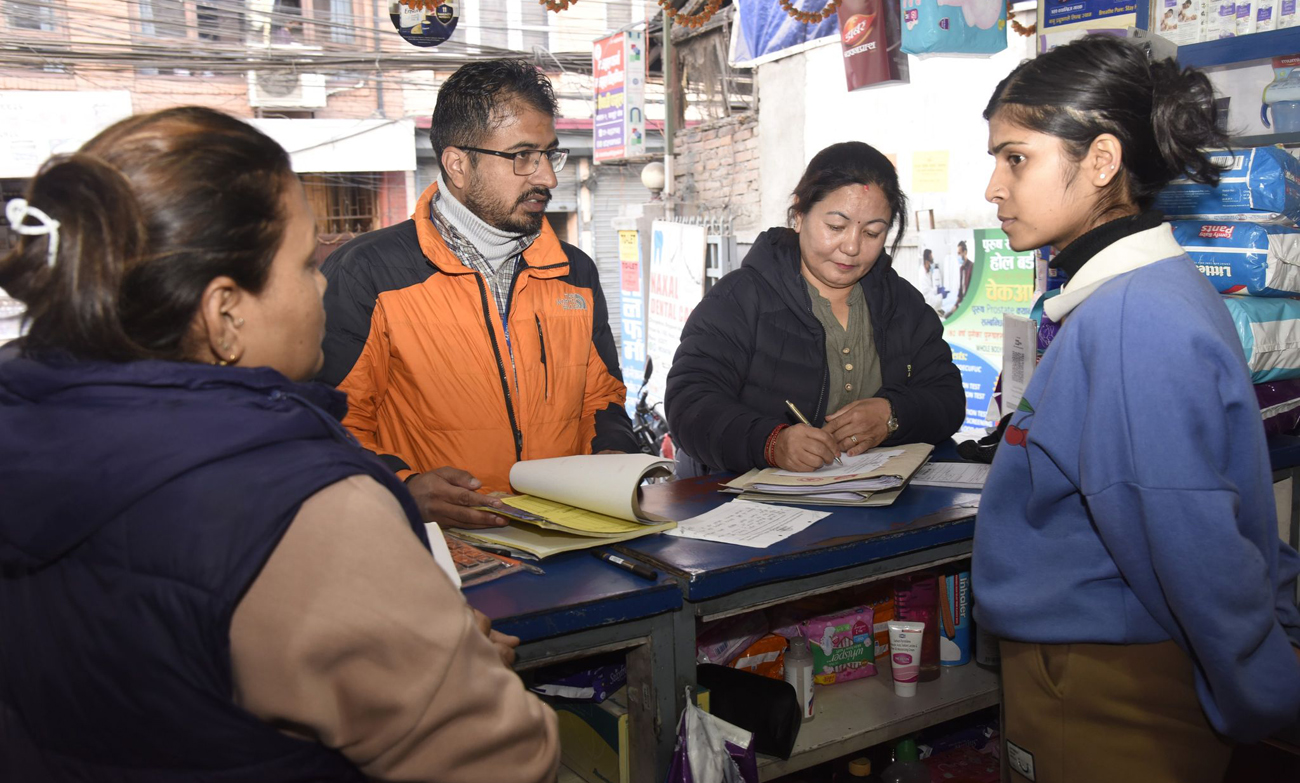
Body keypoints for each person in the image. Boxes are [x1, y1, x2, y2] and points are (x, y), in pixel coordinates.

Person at [0, 107, 558, 782]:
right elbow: (503, 760)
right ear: (225, 313)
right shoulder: (303, 506)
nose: (323, 282)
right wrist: (454, 667)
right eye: (303, 262)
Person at [971, 35, 1300, 783]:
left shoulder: (1130, 321)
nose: (993, 186)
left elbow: (1192, 544)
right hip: (1112, 665)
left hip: (1103, 687)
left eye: (1015, 157)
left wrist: (1259, 690)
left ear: (1100, 161)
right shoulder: (1146, 293)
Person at [319, 59, 637, 529]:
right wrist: (402, 488)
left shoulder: (575, 272)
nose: (547, 177)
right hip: (438, 548)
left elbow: (603, 401)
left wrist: (616, 463)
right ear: (458, 164)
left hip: (572, 537)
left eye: (550, 154)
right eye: (523, 156)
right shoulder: (369, 272)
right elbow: (328, 424)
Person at [665, 141, 965, 475]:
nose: (851, 247)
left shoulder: (902, 305)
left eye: (872, 232)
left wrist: (892, 414)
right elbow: (688, 404)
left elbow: (948, 398)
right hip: (755, 510)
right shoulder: (740, 298)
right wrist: (771, 443)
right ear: (799, 215)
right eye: (836, 227)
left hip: (872, 504)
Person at [919, 247, 945, 314]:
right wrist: (941, 296)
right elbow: (929, 301)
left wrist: (937, 290)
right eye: (932, 261)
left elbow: (929, 290)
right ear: (927, 262)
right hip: (926, 310)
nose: (933, 263)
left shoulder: (927, 273)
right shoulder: (922, 276)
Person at [951, 240, 973, 313]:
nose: (958, 256)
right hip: (962, 303)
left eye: (959, 253)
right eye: (957, 254)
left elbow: (971, 289)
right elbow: (961, 290)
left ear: (965, 252)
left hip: (969, 304)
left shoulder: (972, 267)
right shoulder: (961, 269)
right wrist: (956, 305)